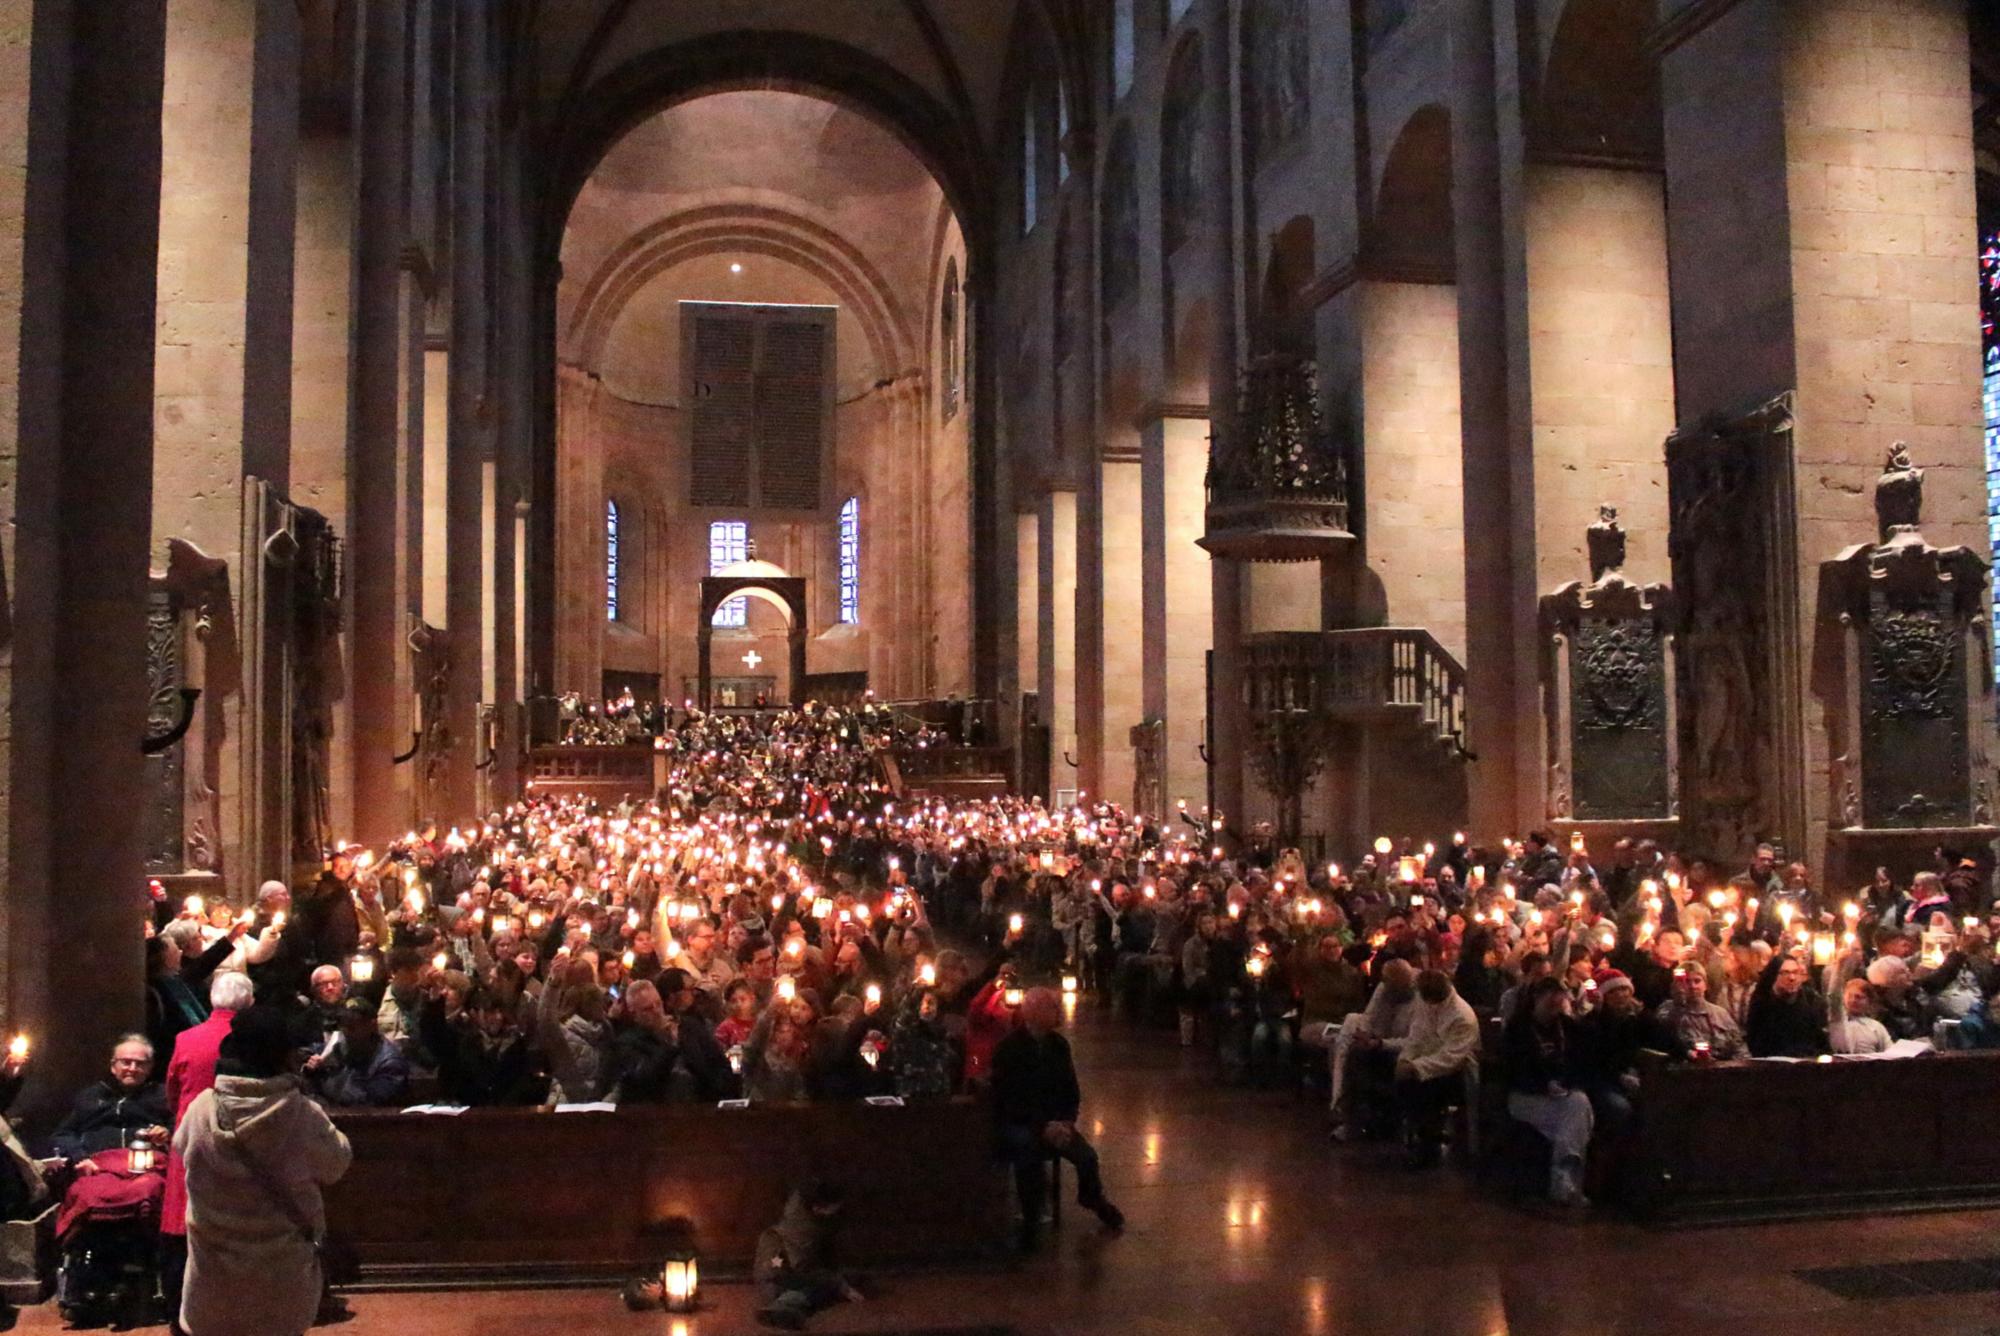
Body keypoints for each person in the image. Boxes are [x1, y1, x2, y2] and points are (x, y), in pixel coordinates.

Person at [175, 1005, 352, 1336]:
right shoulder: (302, 1114)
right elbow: (336, 1164)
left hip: (213, 1280)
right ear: (282, 1057)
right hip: (282, 1282)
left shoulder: (202, 1109)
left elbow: (181, 1149)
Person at [990, 987, 1123, 1252]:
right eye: (1052, 1007)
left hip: (1056, 1122)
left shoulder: (1059, 1046)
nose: (1058, 1012)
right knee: (1028, 1154)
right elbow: (1010, 1099)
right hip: (1022, 1122)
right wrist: (1042, 1127)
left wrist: (1066, 1122)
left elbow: (1070, 1090)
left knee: (1087, 1157)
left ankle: (1092, 1197)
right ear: (1033, 1012)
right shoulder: (1009, 1049)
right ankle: (1030, 1219)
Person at [161, 972, 254, 1324]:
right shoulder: (250, 1042)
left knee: (183, 1228)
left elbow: (173, 1093)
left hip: (191, 1139)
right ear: (249, 1002)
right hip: (239, 1141)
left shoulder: (187, 1039)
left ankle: (179, 1312)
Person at [1501, 976, 1593, 1209]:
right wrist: (1543, 1085)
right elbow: (1513, 1069)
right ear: (1535, 998)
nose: (1555, 1003)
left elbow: (1581, 1060)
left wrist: (1564, 1083)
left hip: (1561, 1096)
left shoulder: (1567, 1027)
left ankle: (1562, 1181)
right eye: (1549, 998)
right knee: (1577, 1117)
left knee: (1578, 1105)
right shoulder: (1518, 1028)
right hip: (1527, 1095)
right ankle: (1565, 1182)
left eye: (1559, 998)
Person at [1391, 970, 1480, 1168]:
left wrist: (1416, 1067)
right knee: (1400, 1081)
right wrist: (1405, 1060)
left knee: (1424, 1090)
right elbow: (1417, 1035)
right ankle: (1417, 1135)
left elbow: (1451, 1057)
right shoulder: (1425, 1003)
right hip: (1427, 1061)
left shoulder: (1462, 1016)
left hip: (1456, 1071)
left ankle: (1428, 1146)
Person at [752, 1179, 865, 1330]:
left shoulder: (804, 1209)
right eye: (834, 1207)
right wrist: (841, 1286)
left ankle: (785, 1307)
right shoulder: (802, 1227)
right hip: (777, 1273)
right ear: (817, 1208)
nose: (838, 1209)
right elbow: (803, 1266)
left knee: (828, 1285)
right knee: (818, 1290)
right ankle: (782, 1307)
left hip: (781, 1267)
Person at [50, 1034, 171, 1164]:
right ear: (113, 1066)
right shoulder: (91, 1096)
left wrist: (167, 1134)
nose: (132, 1068)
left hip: (148, 1164)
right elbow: (63, 1134)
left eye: (140, 1063)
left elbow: (179, 1131)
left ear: (149, 1067)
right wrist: (80, 1158)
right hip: (96, 1165)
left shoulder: (164, 1095)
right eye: (126, 1062)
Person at [306, 999, 412, 1107]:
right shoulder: (340, 1046)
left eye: (352, 1026)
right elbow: (307, 1053)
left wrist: (326, 1077)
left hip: (364, 1116)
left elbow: (365, 1101)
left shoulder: (390, 1064)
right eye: (343, 1025)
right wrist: (314, 1067)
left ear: (372, 1025)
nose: (346, 1032)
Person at [1653, 964, 1744, 1060]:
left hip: (1721, 1065)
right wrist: (1679, 1003)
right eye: (1687, 981)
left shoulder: (1720, 1013)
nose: (1693, 986)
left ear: (1706, 985)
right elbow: (1664, 1038)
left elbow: (1738, 1046)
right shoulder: (1667, 1009)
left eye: (1697, 981)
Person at [1745, 953, 1828, 1058]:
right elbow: (1756, 1044)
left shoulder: (1811, 1000)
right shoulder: (1761, 1003)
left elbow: (1821, 1041)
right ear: (1774, 975)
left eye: (1795, 972)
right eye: (1785, 973)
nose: (1792, 978)